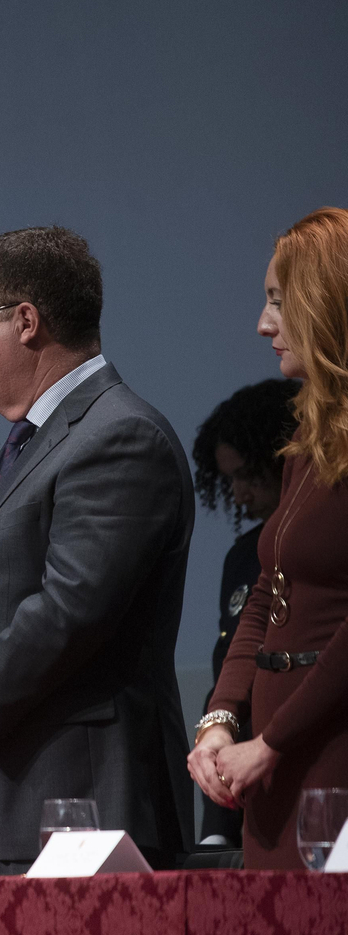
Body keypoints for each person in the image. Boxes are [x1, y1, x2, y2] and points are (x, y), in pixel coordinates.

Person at [0, 226, 194, 874]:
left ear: (26, 321)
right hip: (0, 805)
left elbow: (70, 610)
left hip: (80, 807)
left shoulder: (119, 436)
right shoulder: (24, 444)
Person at [191, 207, 348, 870]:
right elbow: (266, 594)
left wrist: (270, 742)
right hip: (274, 763)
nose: (263, 324)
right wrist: (222, 718)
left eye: (279, 302)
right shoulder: (306, 442)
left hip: (330, 751)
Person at [188, 379, 299, 845]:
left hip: (287, 756)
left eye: (247, 475)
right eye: (227, 479)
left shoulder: (313, 548)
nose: (237, 494)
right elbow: (232, 655)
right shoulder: (241, 556)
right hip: (233, 761)